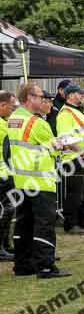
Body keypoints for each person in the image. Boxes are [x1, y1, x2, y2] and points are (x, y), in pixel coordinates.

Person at [9, 83, 78, 278]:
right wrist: (68, 144)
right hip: (41, 181)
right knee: (44, 225)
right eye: (40, 97)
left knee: (23, 225)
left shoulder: (14, 119)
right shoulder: (37, 123)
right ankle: (45, 265)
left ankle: (22, 264)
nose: (43, 100)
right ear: (30, 98)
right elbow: (55, 146)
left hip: (22, 181)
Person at [56, 84, 84, 234]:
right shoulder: (65, 113)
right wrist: (80, 150)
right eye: (79, 93)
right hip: (74, 158)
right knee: (75, 194)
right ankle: (70, 224)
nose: (83, 95)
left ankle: (83, 221)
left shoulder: (78, 111)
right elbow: (65, 137)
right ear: (70, 95)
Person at [0, 91, 17, 261]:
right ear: (2, 105)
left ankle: (5, 245)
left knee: (8, 211)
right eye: (11, 105)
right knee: (5, 211)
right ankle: (2, 247)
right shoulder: (3, 125)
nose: (13, 109)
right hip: (3, 175)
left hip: (5, 173)